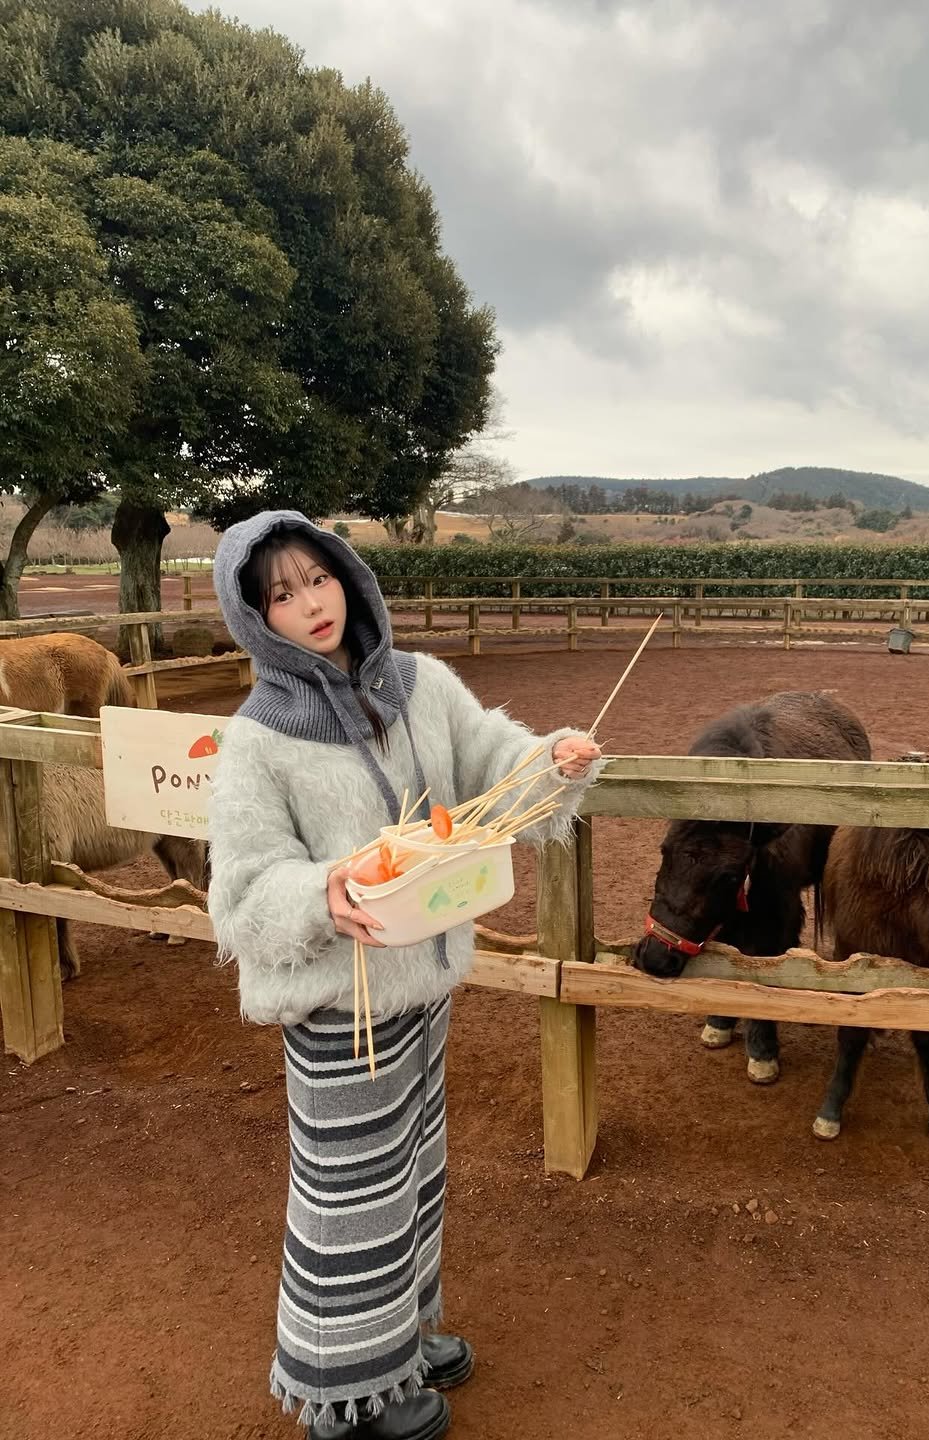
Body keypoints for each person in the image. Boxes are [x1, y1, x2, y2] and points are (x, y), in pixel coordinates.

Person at [207, 511, 602, 1440]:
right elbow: (244, 889)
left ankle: (401, 1338)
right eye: (280, 594)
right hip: (339, 1004)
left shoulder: (420, 685)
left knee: (415, 1171)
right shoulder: (258, 738)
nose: (309, 604)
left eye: (317, 579)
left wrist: (552, 760)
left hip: (421, 987)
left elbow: (492, 765)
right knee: (348, 1195)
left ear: (347, 575)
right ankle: (345, 1393)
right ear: (254, 617)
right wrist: (323, 891)